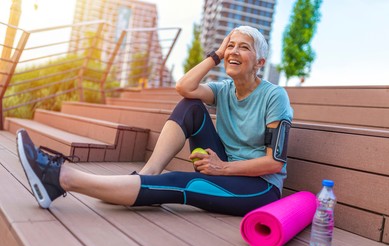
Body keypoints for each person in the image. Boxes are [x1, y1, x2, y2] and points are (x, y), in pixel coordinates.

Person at [16, 26, 293, 216]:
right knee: (191, 105)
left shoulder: (274, 96)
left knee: (179, 182)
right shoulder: (223, 90)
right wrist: (215, 55)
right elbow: (184, 87)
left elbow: (274, 163)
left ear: (259, 62)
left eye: (243, 48)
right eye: (230, 46)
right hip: (223, 168)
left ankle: (60, 178)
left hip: (259, 187)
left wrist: (222, 168)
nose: (233, 51)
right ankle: (147, 175)